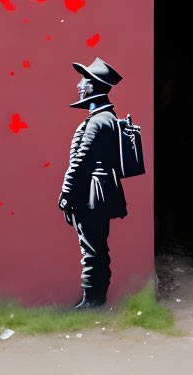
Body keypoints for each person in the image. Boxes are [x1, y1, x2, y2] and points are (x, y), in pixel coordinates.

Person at [58, 57, 127, 308]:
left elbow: (80, 162)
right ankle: (94, 300)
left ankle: (93, 302)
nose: (79, 85)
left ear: (94, 85)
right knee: (95, 247)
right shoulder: (104, 117)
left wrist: (66, 194)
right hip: (98, 192)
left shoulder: (98, 120)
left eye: (84, 80)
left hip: (91, 194)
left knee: (92, 249)